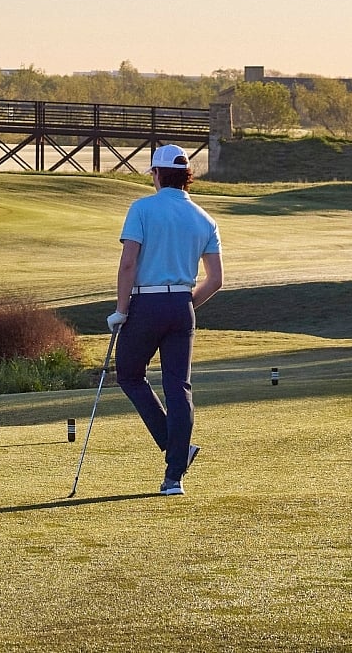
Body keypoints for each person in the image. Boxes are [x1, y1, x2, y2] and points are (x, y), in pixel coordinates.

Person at [108, 142, 223, 495]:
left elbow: (128, 264)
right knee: (178, 387)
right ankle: (175, 475)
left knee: (128, 373)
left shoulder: (142, 209)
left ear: (157, 174)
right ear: (186, 176)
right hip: (181, 308)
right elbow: (216, 280)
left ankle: (174, 448)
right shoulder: (205, 218)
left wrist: (121, 311)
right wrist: (186, 305)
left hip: (145, 306)